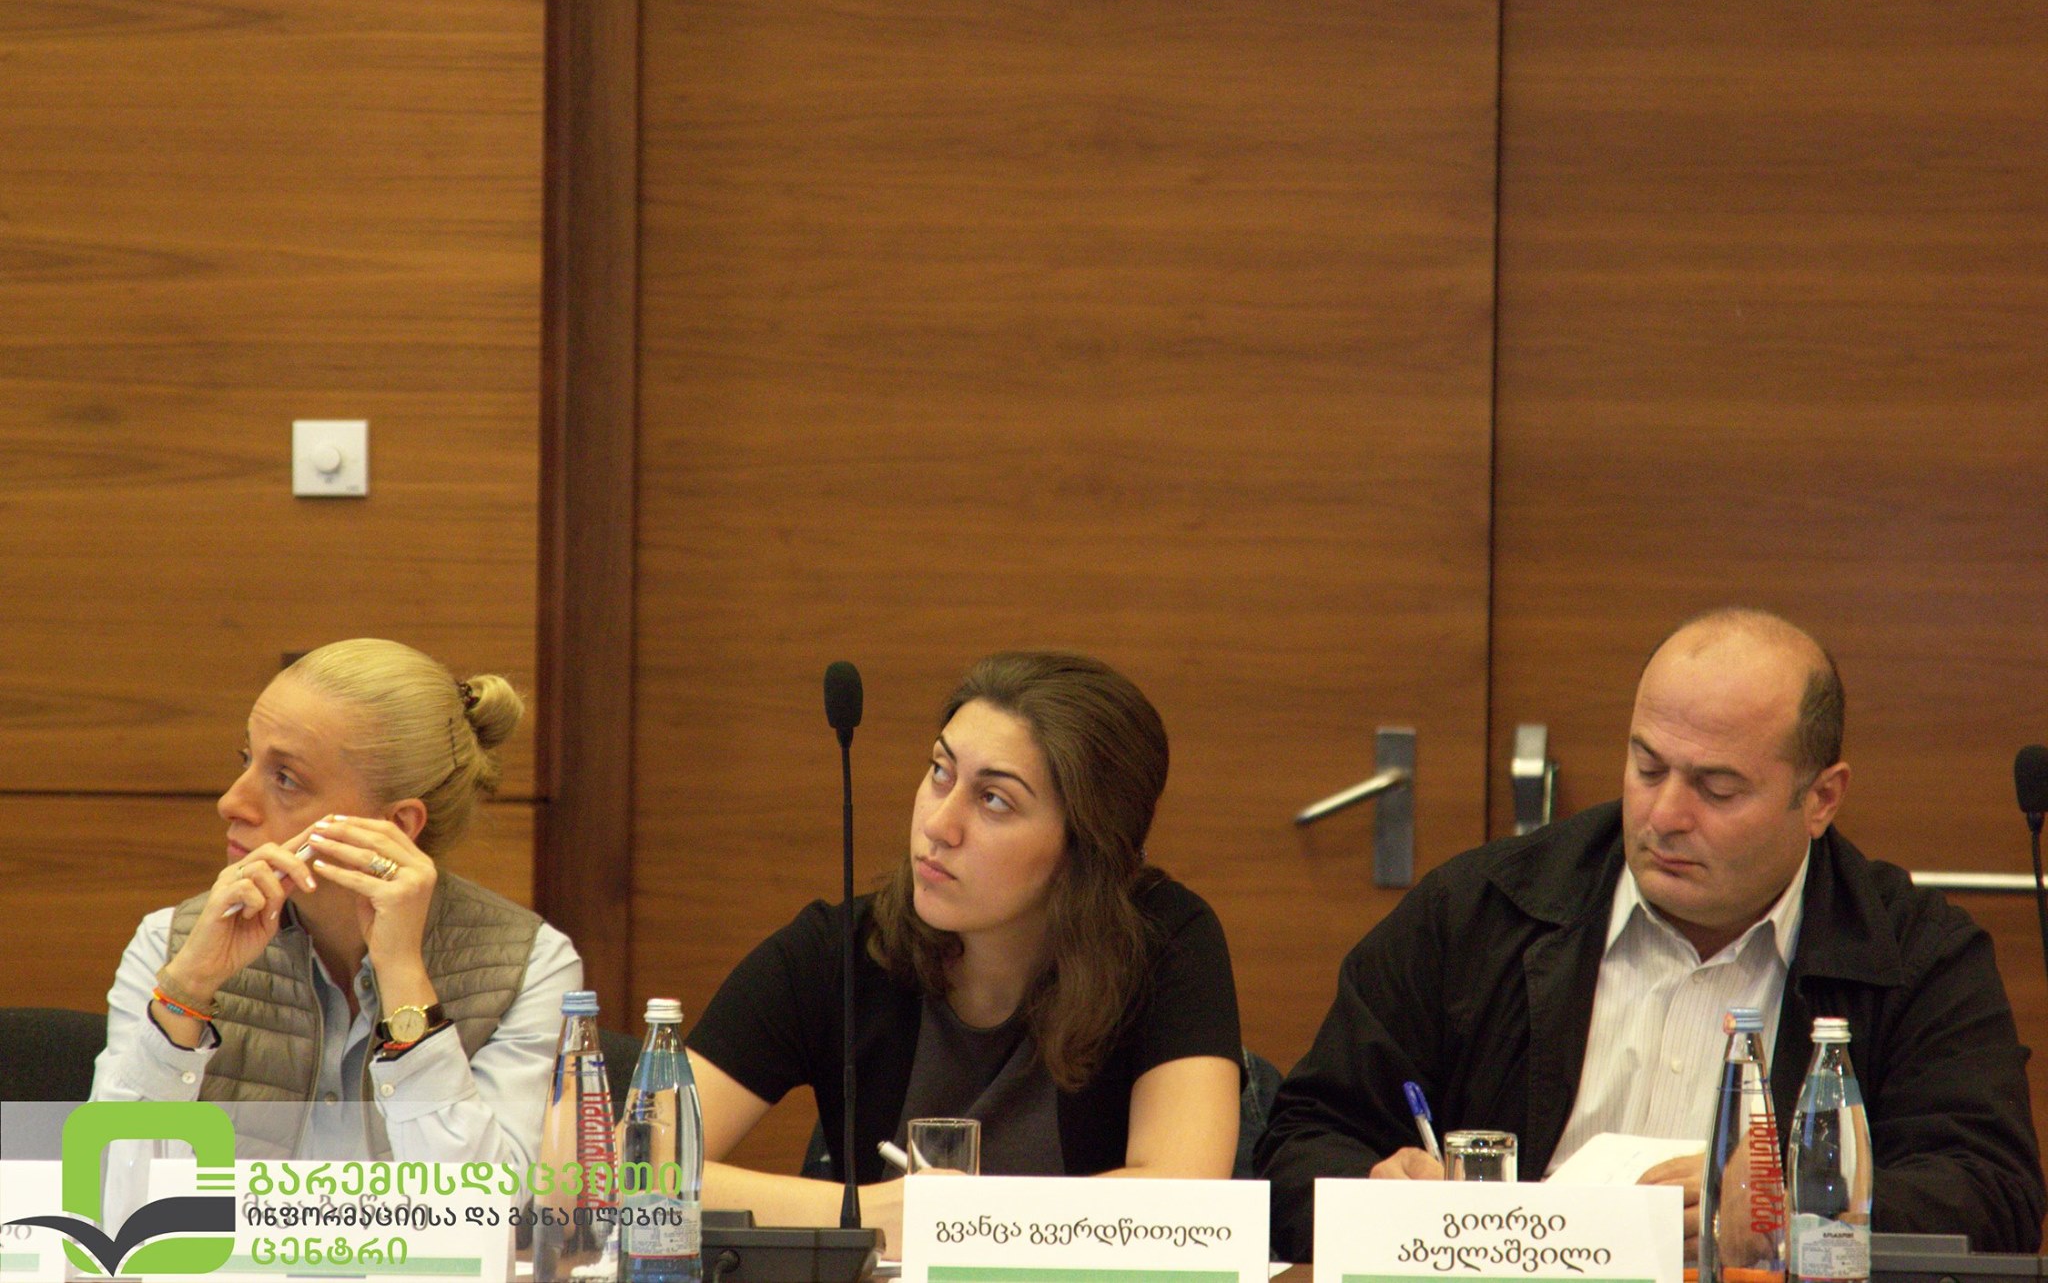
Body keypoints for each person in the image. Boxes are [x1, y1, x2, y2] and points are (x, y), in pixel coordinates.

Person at [1257, 608, 2045, 1260]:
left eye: (1717, 787)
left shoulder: (1915, 954)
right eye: (1647, 766)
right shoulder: (1480, 910)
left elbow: (1993, 1194)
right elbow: (1302, 1141)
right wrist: (1378, 1193)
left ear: (1820, 798)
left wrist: (1794, 1206)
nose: (1665, 814)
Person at [686, 651, 1243, 1252]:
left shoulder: (1161, 941)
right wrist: (873, 1214)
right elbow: (637, 1171)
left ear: (1085, 848)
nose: (938, 824)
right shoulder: (838, 950)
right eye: (940, 772)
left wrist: (964, 1221)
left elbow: (1185, 1199)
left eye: (994, 800)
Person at [91, 638, 583, 1169]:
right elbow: (109, 1189)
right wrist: (186, 992)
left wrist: (404, 978)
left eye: (285, 778)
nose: (231, 802)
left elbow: (487, 1203)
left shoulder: (528, 965)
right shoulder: (170, 944)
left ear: (396, 826)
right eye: (246, 759)